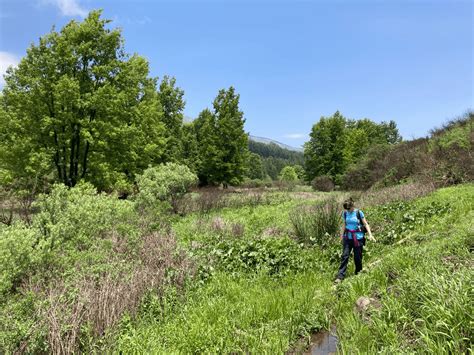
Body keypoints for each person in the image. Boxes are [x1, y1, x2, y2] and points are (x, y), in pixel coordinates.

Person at [335, 198, 375, 283]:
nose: (348, 210)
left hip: (358, 238)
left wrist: (370, 235)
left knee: (357, 257)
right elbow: (344, 225)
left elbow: (365, 224)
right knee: (344, 256)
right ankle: (340, 276)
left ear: (353, 205)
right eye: (346, 209)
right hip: (348, 238)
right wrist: (341, 237)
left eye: (349, 208)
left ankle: (358, 273)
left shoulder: (358, 213)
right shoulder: (345, 213)